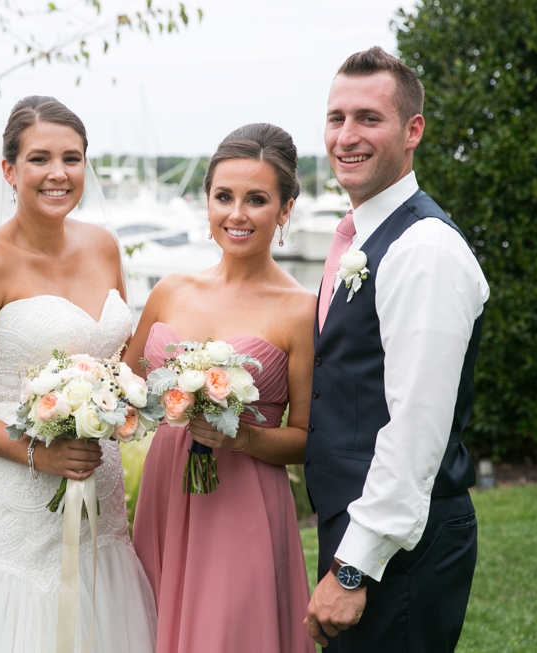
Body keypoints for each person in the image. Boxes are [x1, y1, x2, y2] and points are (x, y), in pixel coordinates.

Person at [0, 96, 157, 653]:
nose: (59, 173)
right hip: (11, 493)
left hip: (98, 487)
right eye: (40, 158)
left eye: (73, 157)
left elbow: (119, 359)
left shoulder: (104, 246)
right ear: (10, 170)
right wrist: (37, 453)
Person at [303, 46, 490, 652]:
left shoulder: (423, 249)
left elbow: (416, 429)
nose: (346, 136)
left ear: (413, 131)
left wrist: (354, 567)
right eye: (337, 118)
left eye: (368, 118)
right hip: (368, 534)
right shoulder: (365, 237)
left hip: (399, 549)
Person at [126, 123, 317, 653]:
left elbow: (306, 435)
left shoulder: (301, 310)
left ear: (284, 210)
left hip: (245, 497)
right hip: (167, 489)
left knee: (229, 633)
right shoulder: (169, 290)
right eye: (224, 196)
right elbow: (127, 387)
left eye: (257, 199)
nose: (237, 214)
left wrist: (241, 439)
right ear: (206, 201)